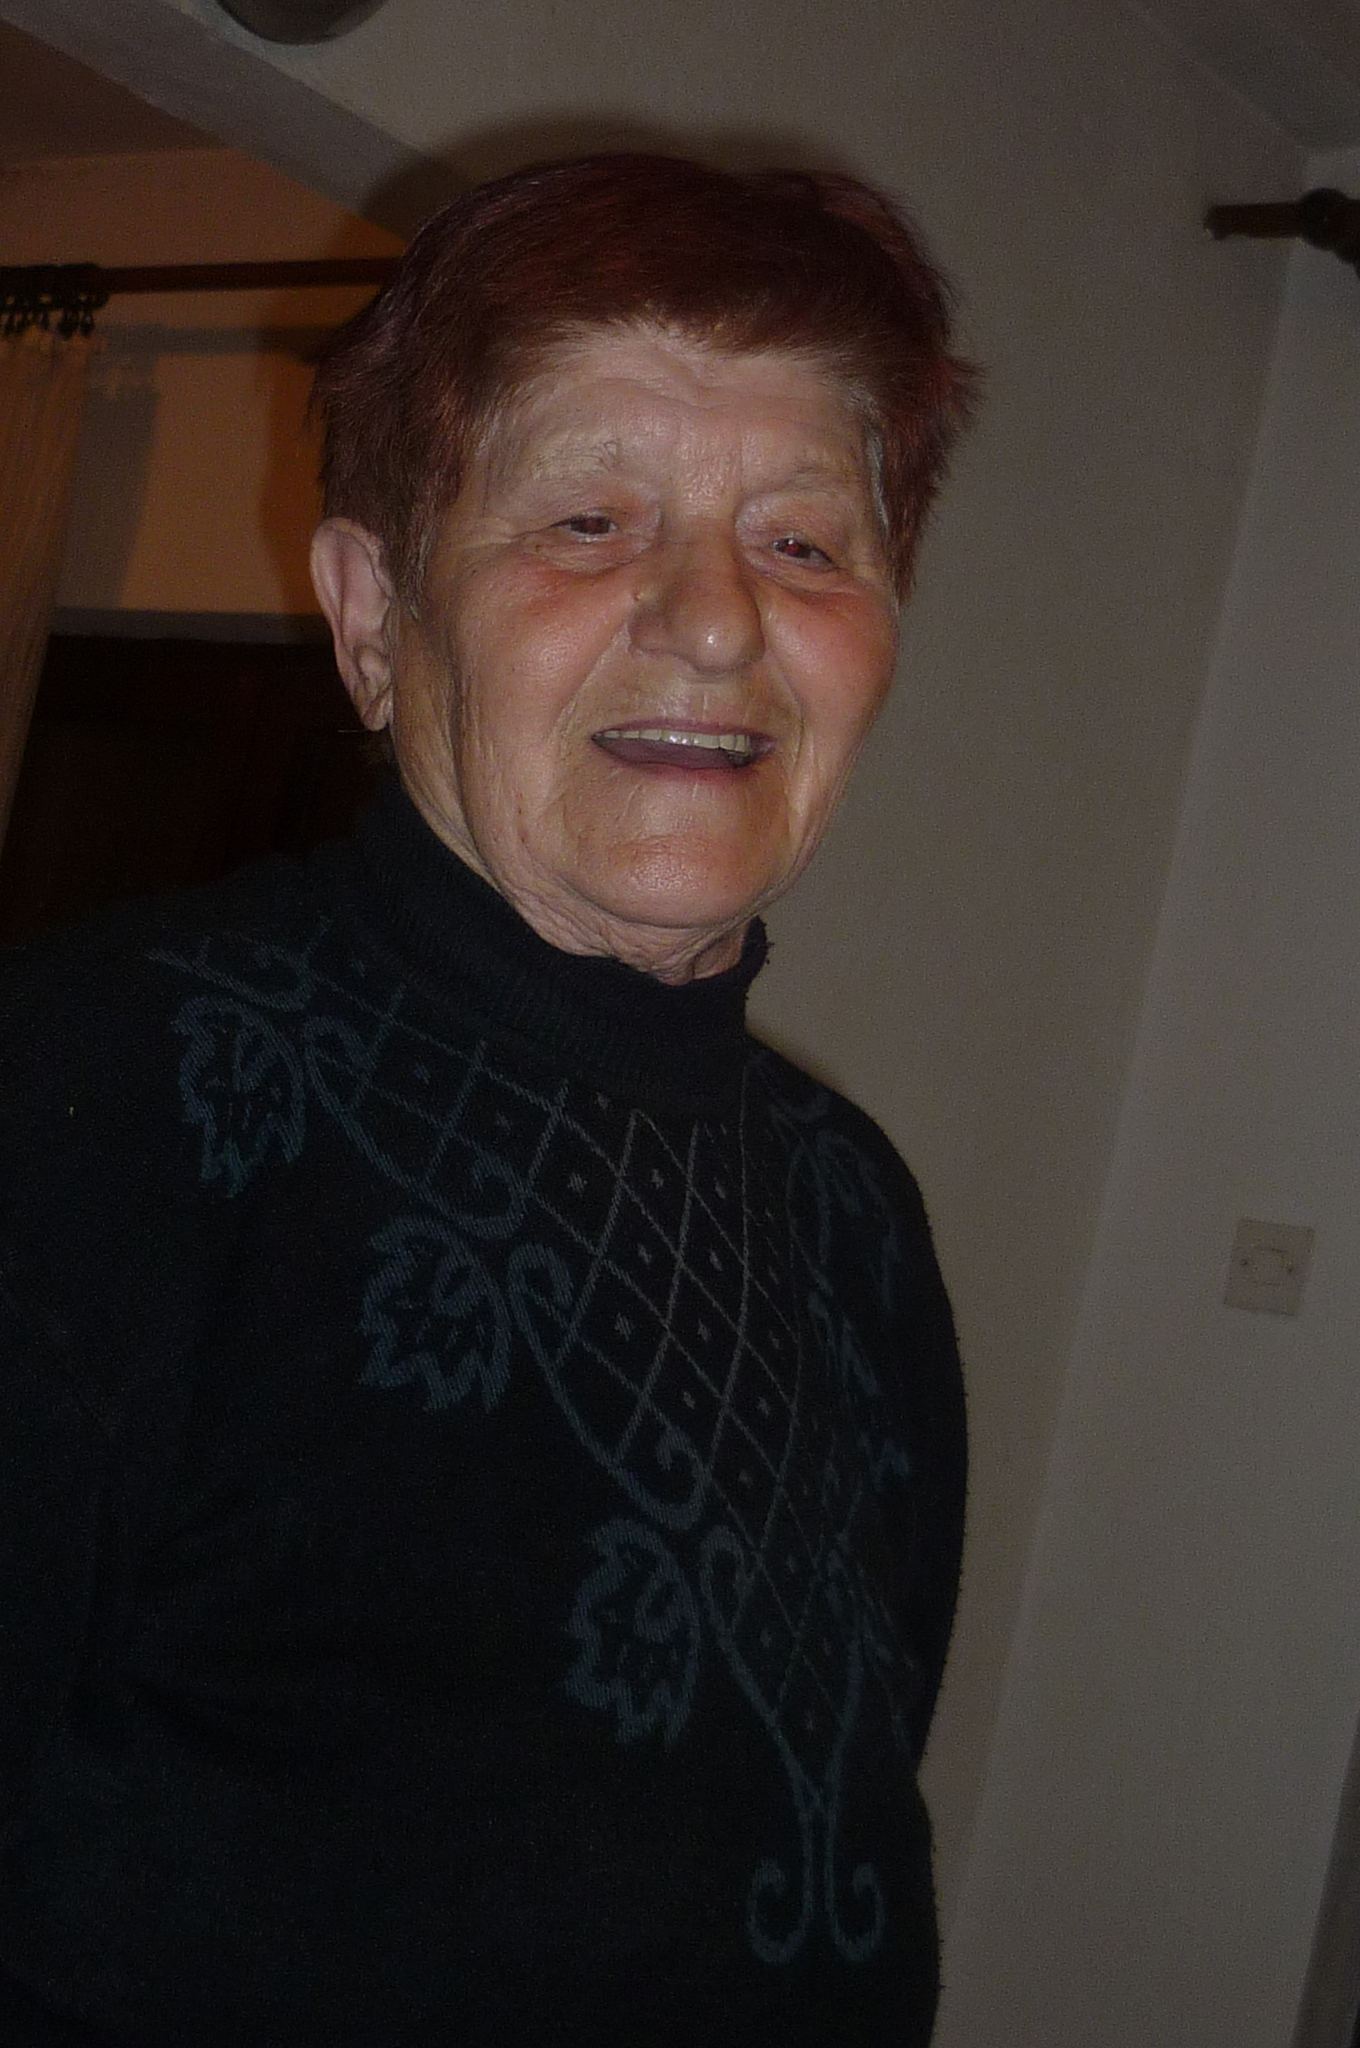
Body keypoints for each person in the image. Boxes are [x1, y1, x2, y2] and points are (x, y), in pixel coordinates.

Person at [0, 153, 973, 2046]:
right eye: (590, 520)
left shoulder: (854, 1208)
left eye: (803, 545)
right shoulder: (83, 1097)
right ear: (373, 616)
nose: (716, 620)